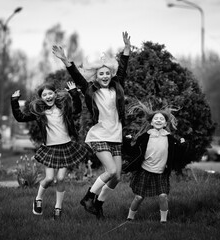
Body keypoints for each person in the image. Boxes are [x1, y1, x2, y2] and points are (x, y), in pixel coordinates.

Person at [52, 31, 131, 219]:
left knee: (116, 177)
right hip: (99, 136)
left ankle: (98, 204)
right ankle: (89, 198)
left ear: (111, 75)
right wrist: (65, 60)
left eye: (107, 73)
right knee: (110, 171)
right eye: (100, 74)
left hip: (115, 137)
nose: (104, 76)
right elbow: (78, 77)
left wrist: (127, 49)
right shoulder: (90, 90)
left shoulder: (116, 87)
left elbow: (123, 70)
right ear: (95, 76)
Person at [10, 81, 88, 220]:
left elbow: (77, 110)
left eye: (50, 93)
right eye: (44, 95)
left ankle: (58, 208)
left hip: (66, 147)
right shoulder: (40, 113)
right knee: (50, 178)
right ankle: (38, 199)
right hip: (50, 149)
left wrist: (74, 93)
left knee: (60, 178)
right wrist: (14, 101)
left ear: (55, 94)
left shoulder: (63, 109)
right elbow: (20, 117)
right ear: (41, 98)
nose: (48, 96)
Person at [122, 101, 187, 223]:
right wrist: (126, 141)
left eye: (161, 119)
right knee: (139, 197)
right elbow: (132, 152)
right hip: (144, 171)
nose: (158, 120)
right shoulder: (145, 137)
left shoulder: (170, 138)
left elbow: (179, 154)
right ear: (151, 122)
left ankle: (163, 221)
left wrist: (183, 145)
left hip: (161, 172)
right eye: (155, 118)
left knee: (163, 196)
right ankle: (130, 218)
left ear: (165, 123)